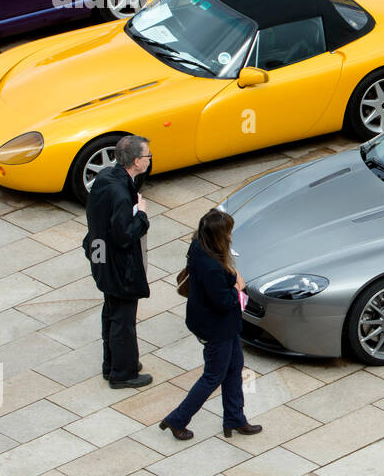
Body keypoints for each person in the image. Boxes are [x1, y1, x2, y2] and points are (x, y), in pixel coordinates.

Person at [159, 209, 262, 441]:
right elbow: (223, 301)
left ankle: (235, 418)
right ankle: (177, 419)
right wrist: (238, 287)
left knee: (235, 368)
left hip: (218, 324)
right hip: (217, 327)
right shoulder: (212, 267)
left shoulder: (198, 245)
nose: (230, 237)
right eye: (228, 232)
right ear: (219, 236)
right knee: (213, 376)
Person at [83, 135, 153, 389]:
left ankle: (113, 363)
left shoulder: (105, 179)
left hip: (101, 258)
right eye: (147, 156)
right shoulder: (122, 193)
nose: (149, 160)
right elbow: (125, 234)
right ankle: (123, 373)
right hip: (119, 266)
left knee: (111, 313)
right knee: (123, 320)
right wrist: (142, 215)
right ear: (136, 161)